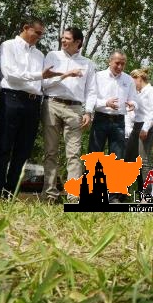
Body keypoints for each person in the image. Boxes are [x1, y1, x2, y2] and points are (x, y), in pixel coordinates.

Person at [0, 17, 62, 196]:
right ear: (25, 28)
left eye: (41, 34)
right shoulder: (8, 46)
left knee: (23, 149)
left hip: (33, 102)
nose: (39, 37)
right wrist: (39, 75)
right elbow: (10, 74)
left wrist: (63, 76)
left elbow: (43, 80)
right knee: (4, 144)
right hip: (12, 98)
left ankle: (11, 190)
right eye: (37, 32)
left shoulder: (39, 54)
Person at [40, 27, 96, 203]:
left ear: (78, 42)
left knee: (73, 153)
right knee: (50, 151)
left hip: (75, 109)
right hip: (52, 105)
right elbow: (44, 84)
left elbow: (92, 90)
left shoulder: (88, 64)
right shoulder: (52, 56)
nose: (63, 41)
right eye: (62, 38)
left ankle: (74, 197)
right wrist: (65, 75)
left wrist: (89, 111)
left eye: (67, 38)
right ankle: (49, 194)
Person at [90, 51, 137, 161]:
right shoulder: (98, 76)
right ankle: (92, 178)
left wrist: (133, 104)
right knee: (94, 156)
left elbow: (134, 99)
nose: (120, 66)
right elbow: (91, 99)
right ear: (109, 61)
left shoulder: (128, 79)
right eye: (117, 63)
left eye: (123, 64)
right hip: (100, 118)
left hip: (119, 121)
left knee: (117, 158)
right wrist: (106, 103)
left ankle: (113, 178)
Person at [127, 68, 153, 188]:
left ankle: (147, 195)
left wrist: (145, 128)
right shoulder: (138, 93)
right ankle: (121, 192)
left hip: (147, 126)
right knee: (129, 158)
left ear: (139, 79)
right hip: (137, 125)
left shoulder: (152, 91)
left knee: (144, 160)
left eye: (133, 82)